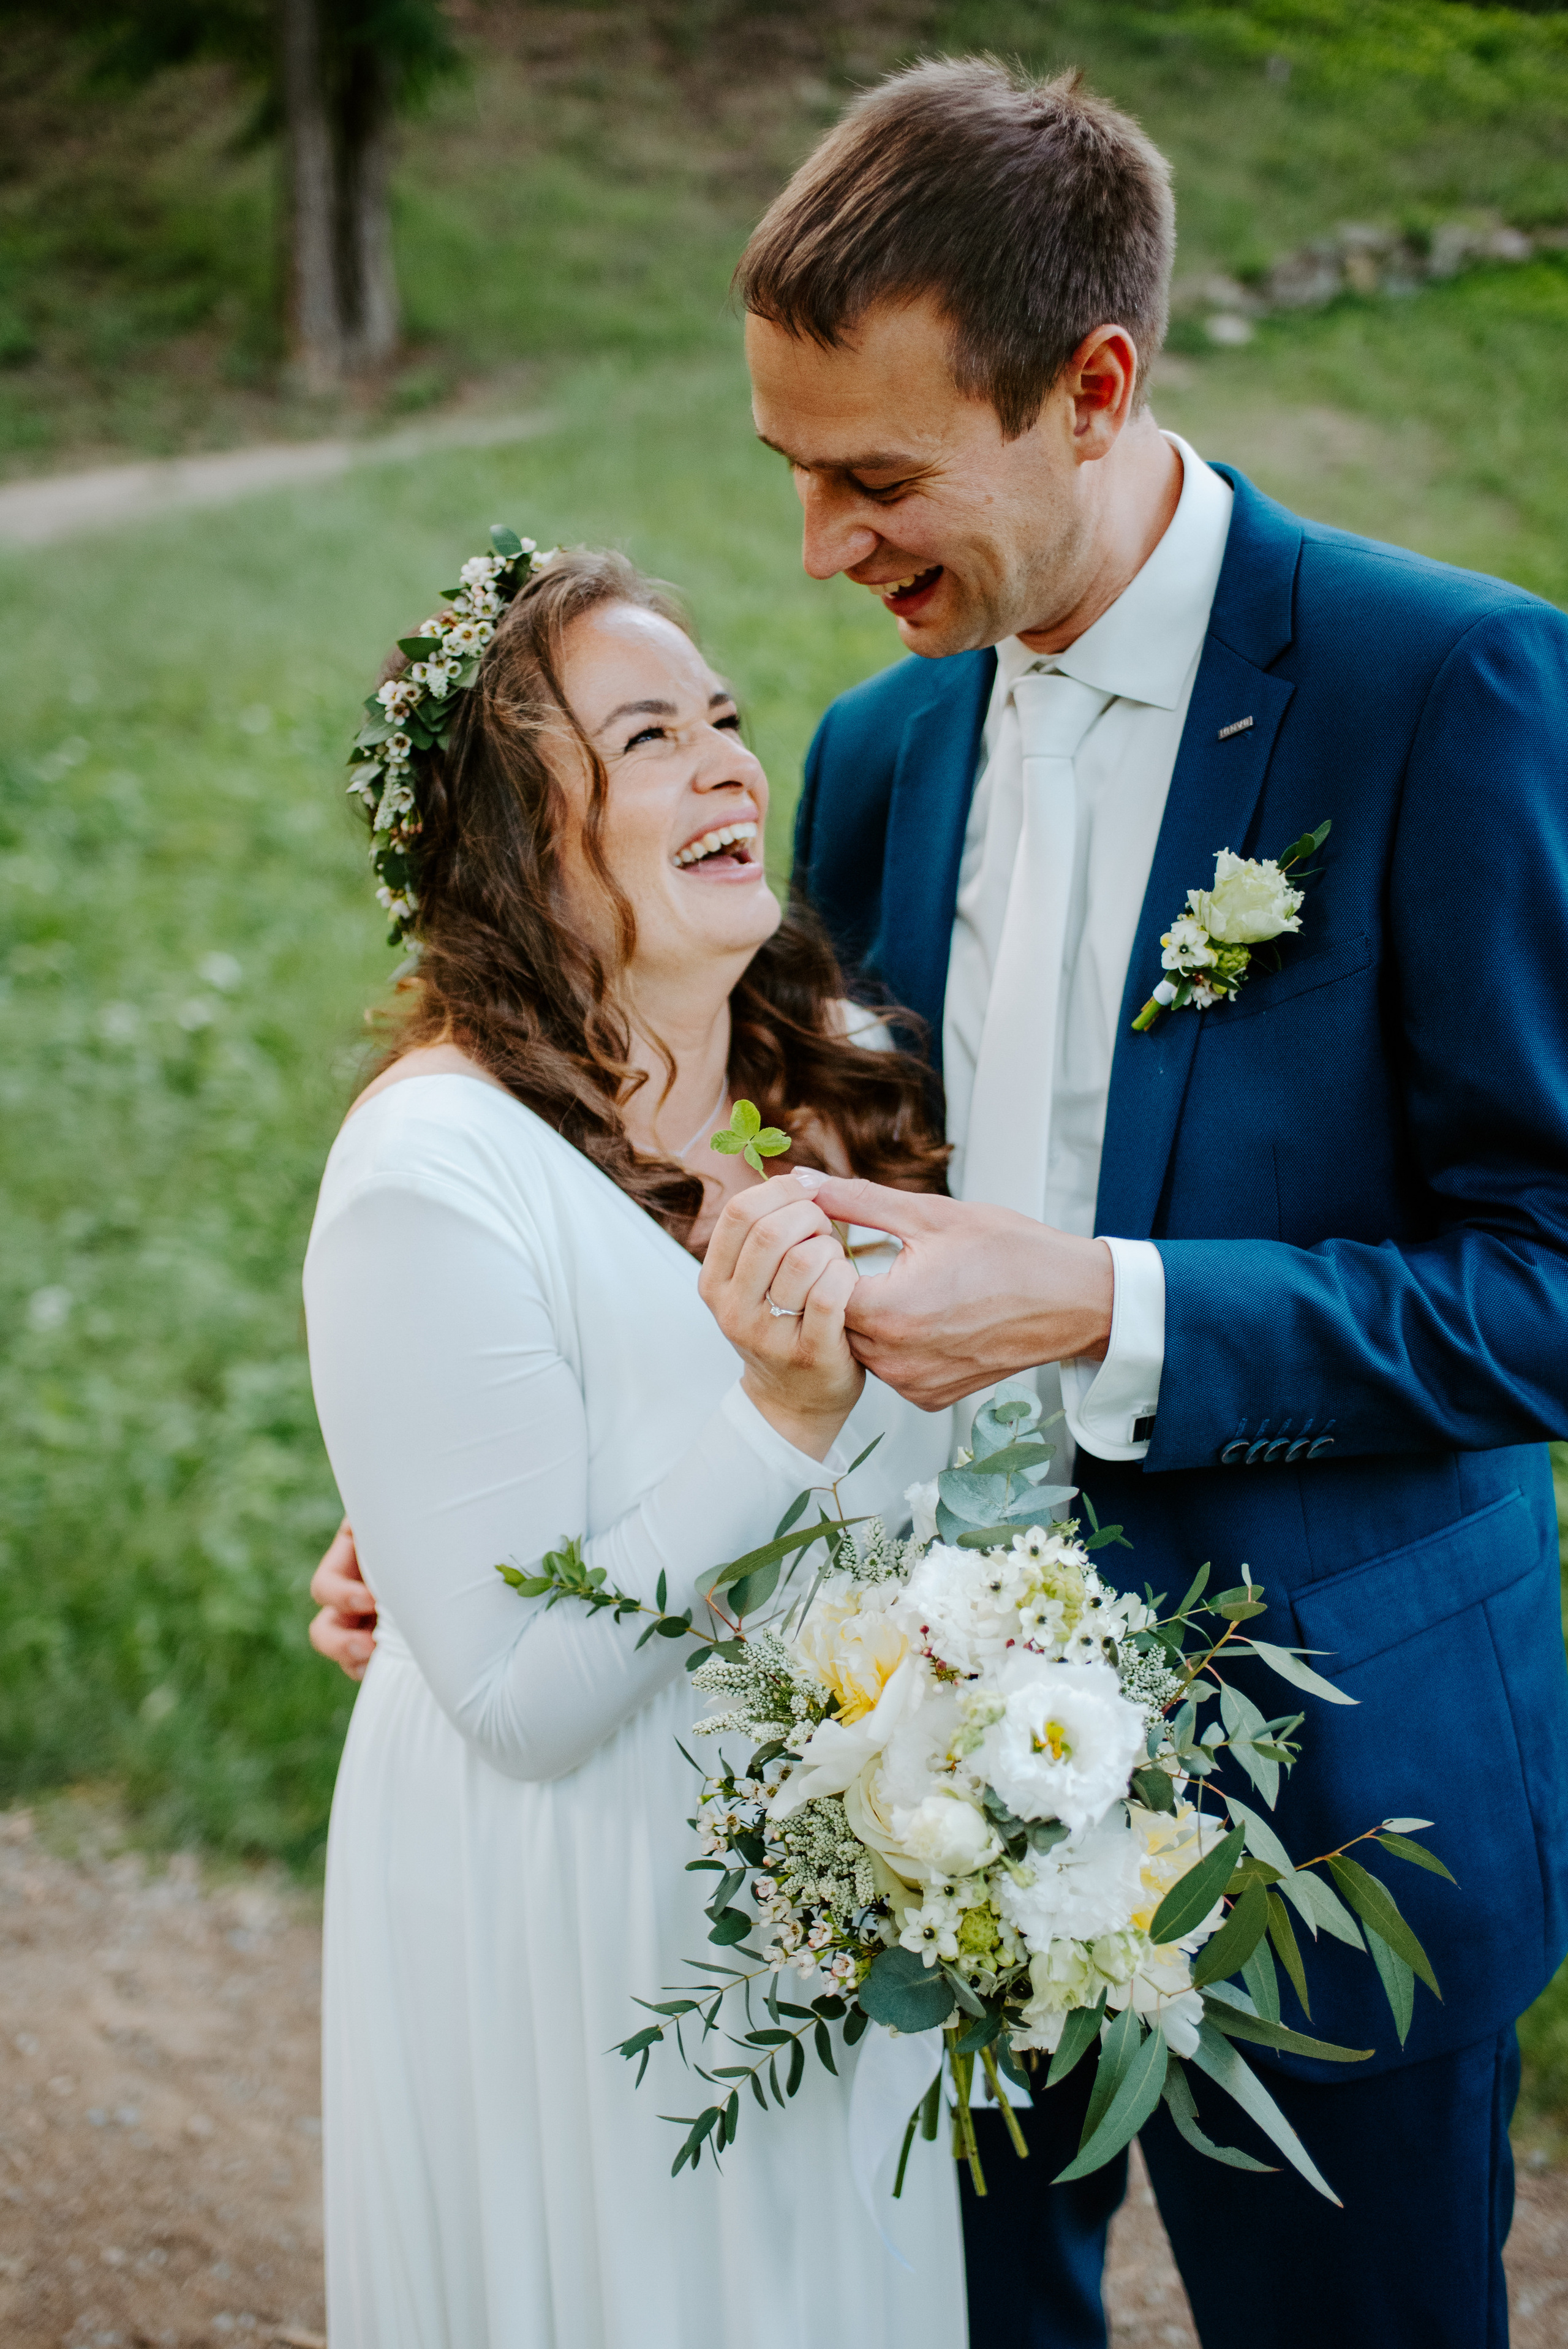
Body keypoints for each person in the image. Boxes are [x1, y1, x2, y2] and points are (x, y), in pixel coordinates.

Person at [311, 53, 1568, 2349]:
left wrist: (1111, 1302)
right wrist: (487, 1497)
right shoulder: (889, 746)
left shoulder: (1449, 684)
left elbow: (1549, 1276)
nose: (822, 551)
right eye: (793, 475)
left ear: (1092, 389)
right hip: (884, 1789)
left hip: (1342, 1784)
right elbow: (806, 1194)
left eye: (878, 477)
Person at [301, 542, 967, 2349]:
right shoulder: (431, 1170)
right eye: (651, 735)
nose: (734, 761)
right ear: (523, 838)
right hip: (585, 1919)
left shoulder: (840, 1070)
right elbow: (515, 1681)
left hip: (834, 1904)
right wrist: (778, 1424)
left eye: (729, 718)